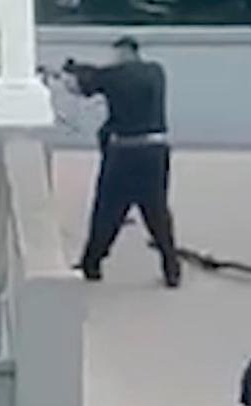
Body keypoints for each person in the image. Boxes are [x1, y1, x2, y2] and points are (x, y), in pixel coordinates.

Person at [61, 36, 181, 288]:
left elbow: (81, 86)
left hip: (124, 153)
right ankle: (172, 268)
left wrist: (67, 75)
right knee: (157, 211)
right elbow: (100, 75)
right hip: (155, 151)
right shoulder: (156, 72)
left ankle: (91, 264)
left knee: (106, 210)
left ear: (122, 52)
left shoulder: (112, 76)